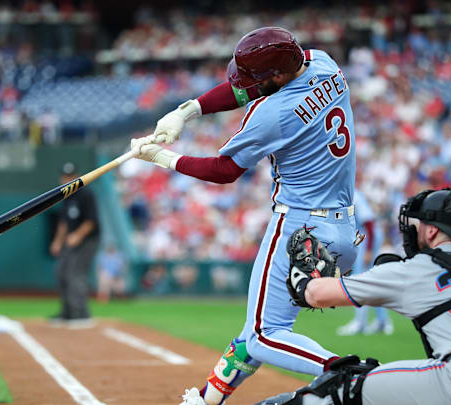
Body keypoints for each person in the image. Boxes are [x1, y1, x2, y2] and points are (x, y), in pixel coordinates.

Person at [131, 27, 359, 405]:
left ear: (279, 75)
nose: (248, 84)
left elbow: (224, 170)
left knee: (263, 334)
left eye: (258, 76)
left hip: (299, 225)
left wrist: (163, 159)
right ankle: (206, 401)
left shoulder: (275, 113)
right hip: (342, 230)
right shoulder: (323, 62)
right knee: (254, 332)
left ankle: (349, 372)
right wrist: (189, 110)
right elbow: (249, 88)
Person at [264, 188, 451, 405]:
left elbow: (316, 294)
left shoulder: (416, 270)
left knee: (344, 383)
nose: (413, 229)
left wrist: (307, 271)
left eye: (419, 223)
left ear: (433, 230)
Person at [49, 162, 101, 327]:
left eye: (70, 177)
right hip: (71, 240)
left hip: (87, 240)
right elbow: (64, 222)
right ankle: (68, 312)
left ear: (77, 177)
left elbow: (91, 221)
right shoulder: (65, 196)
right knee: (62, 272)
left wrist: (78, 235)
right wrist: (58, 241)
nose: (67, 180)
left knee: (75, 274)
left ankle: (81, 313)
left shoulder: (86, 194)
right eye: (65, 177)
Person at [336, 190, 393, 336]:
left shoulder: (353, 195)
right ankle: (382, 322)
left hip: (367, 237)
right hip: (363, 237)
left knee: (360, 279)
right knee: (373, 280)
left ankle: (360, 323)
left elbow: (369, 223)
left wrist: (368, 250)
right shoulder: (348, 194)